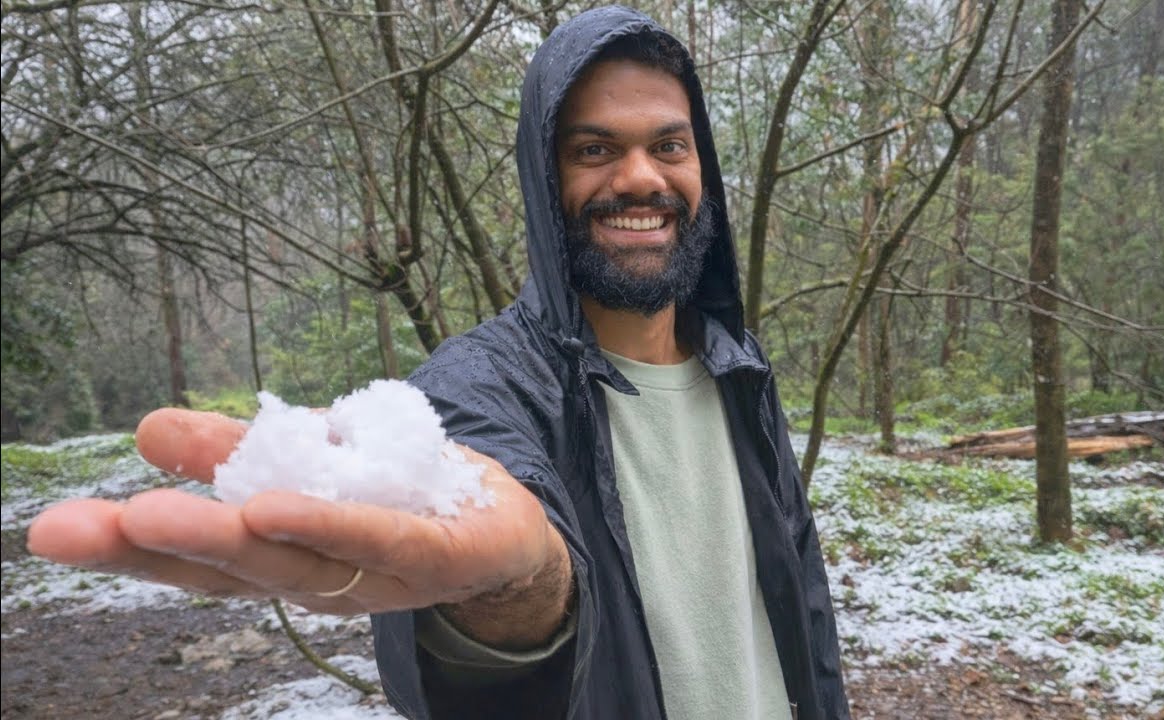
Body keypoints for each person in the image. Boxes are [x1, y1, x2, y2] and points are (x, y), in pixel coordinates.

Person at [27, 7, 848, 720]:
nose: (641, 177)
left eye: (669, 145)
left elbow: (802, 610)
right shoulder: (473, 391)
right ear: (542, 175)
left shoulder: (739, 370)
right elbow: (467, 666)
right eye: (594, 150)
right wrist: (518, 591)